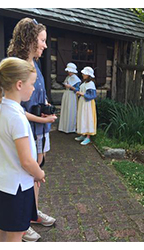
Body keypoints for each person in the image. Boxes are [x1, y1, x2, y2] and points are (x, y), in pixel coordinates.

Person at [7, 17, 56, 242]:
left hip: (39, 128)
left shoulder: (35, 64)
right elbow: (13, 107)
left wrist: (44, 111)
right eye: (42, 40)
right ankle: (22, 223)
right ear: (29, 39)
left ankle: (33, 213)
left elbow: (36, 95)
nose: (45, 45)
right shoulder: (16, 66)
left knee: (37, 169)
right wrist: (43, 120)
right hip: (28, 129)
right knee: (29, 172)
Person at [0, 57, 45, 242]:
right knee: (15, 236)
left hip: (4, 184)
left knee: (3, 232)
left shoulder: (4, 109)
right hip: (18, 188)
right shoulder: (16, 117)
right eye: (32, 83)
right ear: (19, 84)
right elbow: (26, 161)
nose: (34, 88)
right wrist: (39, 173)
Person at [75, 66, 97, 145]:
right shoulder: (84, 83)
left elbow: (93, 95)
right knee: (82, 117)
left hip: (88, 104)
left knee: (88, 118)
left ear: (88, 75)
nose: (83, 74)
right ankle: (83, 134)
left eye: (84, 73)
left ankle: (88, 137)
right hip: (83, 102)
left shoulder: (91, 84)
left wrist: (83, 94)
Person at [58, 62, 81, 133]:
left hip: (72, 95)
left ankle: (70, 128)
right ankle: (63, 127)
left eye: (70, 71)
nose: (69, 72)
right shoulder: (68, 77)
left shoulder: (76, 79)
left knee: (70, 110)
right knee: (65, 109)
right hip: (66, 94)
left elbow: (77, 89)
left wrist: (71, 87)